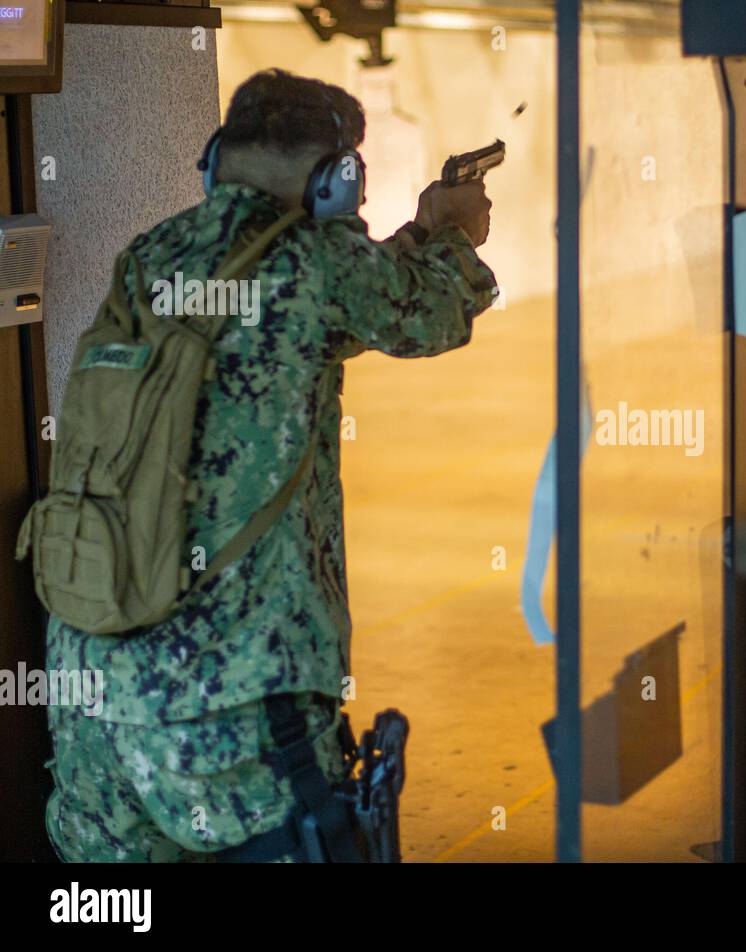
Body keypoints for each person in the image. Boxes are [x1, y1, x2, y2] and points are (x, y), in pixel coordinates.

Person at [43, 69, 496, 861]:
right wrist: (454, 235)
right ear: (335, 177)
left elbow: (314, 311)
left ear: (218, 160)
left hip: (94, 697)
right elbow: (426, 314)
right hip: (231, 710)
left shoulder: (151, 255)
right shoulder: (318, 263)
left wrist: (416, 235)